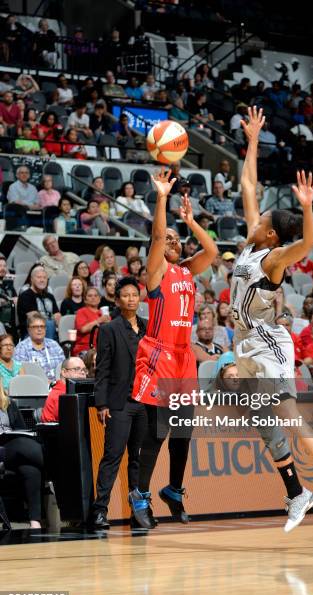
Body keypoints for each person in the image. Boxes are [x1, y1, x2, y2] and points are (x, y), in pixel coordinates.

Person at [233, 106, 313, 530]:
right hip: (245, 345)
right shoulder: (254, 241)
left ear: (270, 233)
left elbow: (306, 243)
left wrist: (307, 207)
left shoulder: (273, 259)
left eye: (264, 220)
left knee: (289, 415)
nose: (255, 217)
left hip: (269, 344)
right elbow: (248, 183)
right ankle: (297, 493)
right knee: (264, 423)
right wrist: (252, 139)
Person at [130, 168, 218, 528]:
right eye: (167, 239)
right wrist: (163, 198)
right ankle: (140, 494)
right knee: (156, 434)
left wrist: (191, 222)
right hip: (159, 355)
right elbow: (154, 236)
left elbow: (212, 250)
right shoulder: (157, 272)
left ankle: (175, 490)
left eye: (175, 239)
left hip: (183, 360)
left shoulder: (184, 270)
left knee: (184, 431)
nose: (172, 242)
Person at [92, 277, 148, 529]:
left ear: (140, 297)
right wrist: (101, 404)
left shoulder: (148, 328)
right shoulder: (108, 330)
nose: (130, 299)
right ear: (118, 300)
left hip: (146, 403)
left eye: (134, 294)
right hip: (119, 403)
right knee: (112, 457)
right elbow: (101, 370)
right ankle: (100, 511)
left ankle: (140, 511)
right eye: (125, 295)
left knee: (138, 459)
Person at [0, 379, 44, 529]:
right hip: (3, 448)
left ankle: (35, 521)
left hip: (12, 447)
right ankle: (54, 465)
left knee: (31, 469)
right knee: (21, 444)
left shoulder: (8, 403)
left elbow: (21, 429)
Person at [14, 312, 64, 383]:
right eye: (35, 327)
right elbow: (19, 375)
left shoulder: (54, 345)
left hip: (57, 386)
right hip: (34, 387)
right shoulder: (21, 348)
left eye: (42, 326)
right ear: (29, 329)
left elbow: (63, 368)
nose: (39, 329)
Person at [17, 265, 60, 339]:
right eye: (39, 277)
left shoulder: (50, 296)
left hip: (50, 331)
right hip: (30, 333)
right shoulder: (26, 295)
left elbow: (58, 317)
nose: (42, 280)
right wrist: (52, 319)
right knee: (49, 324)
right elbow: (34, 318)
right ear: (32, 279)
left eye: (44, 278)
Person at [40, 357, 87, 422]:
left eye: (84, 370)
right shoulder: (59, 396)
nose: (82, 373)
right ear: (64, 372)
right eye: (77, 369)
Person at [72, 287, 110, 356]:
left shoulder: (104, 314)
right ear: (85, 300)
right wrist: (99, 320)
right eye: (90, 296)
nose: (93, 298)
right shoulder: (81, 312)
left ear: (99, 299)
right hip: (85, 349)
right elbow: (83, 329)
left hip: (102, 348)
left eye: (96, 296)